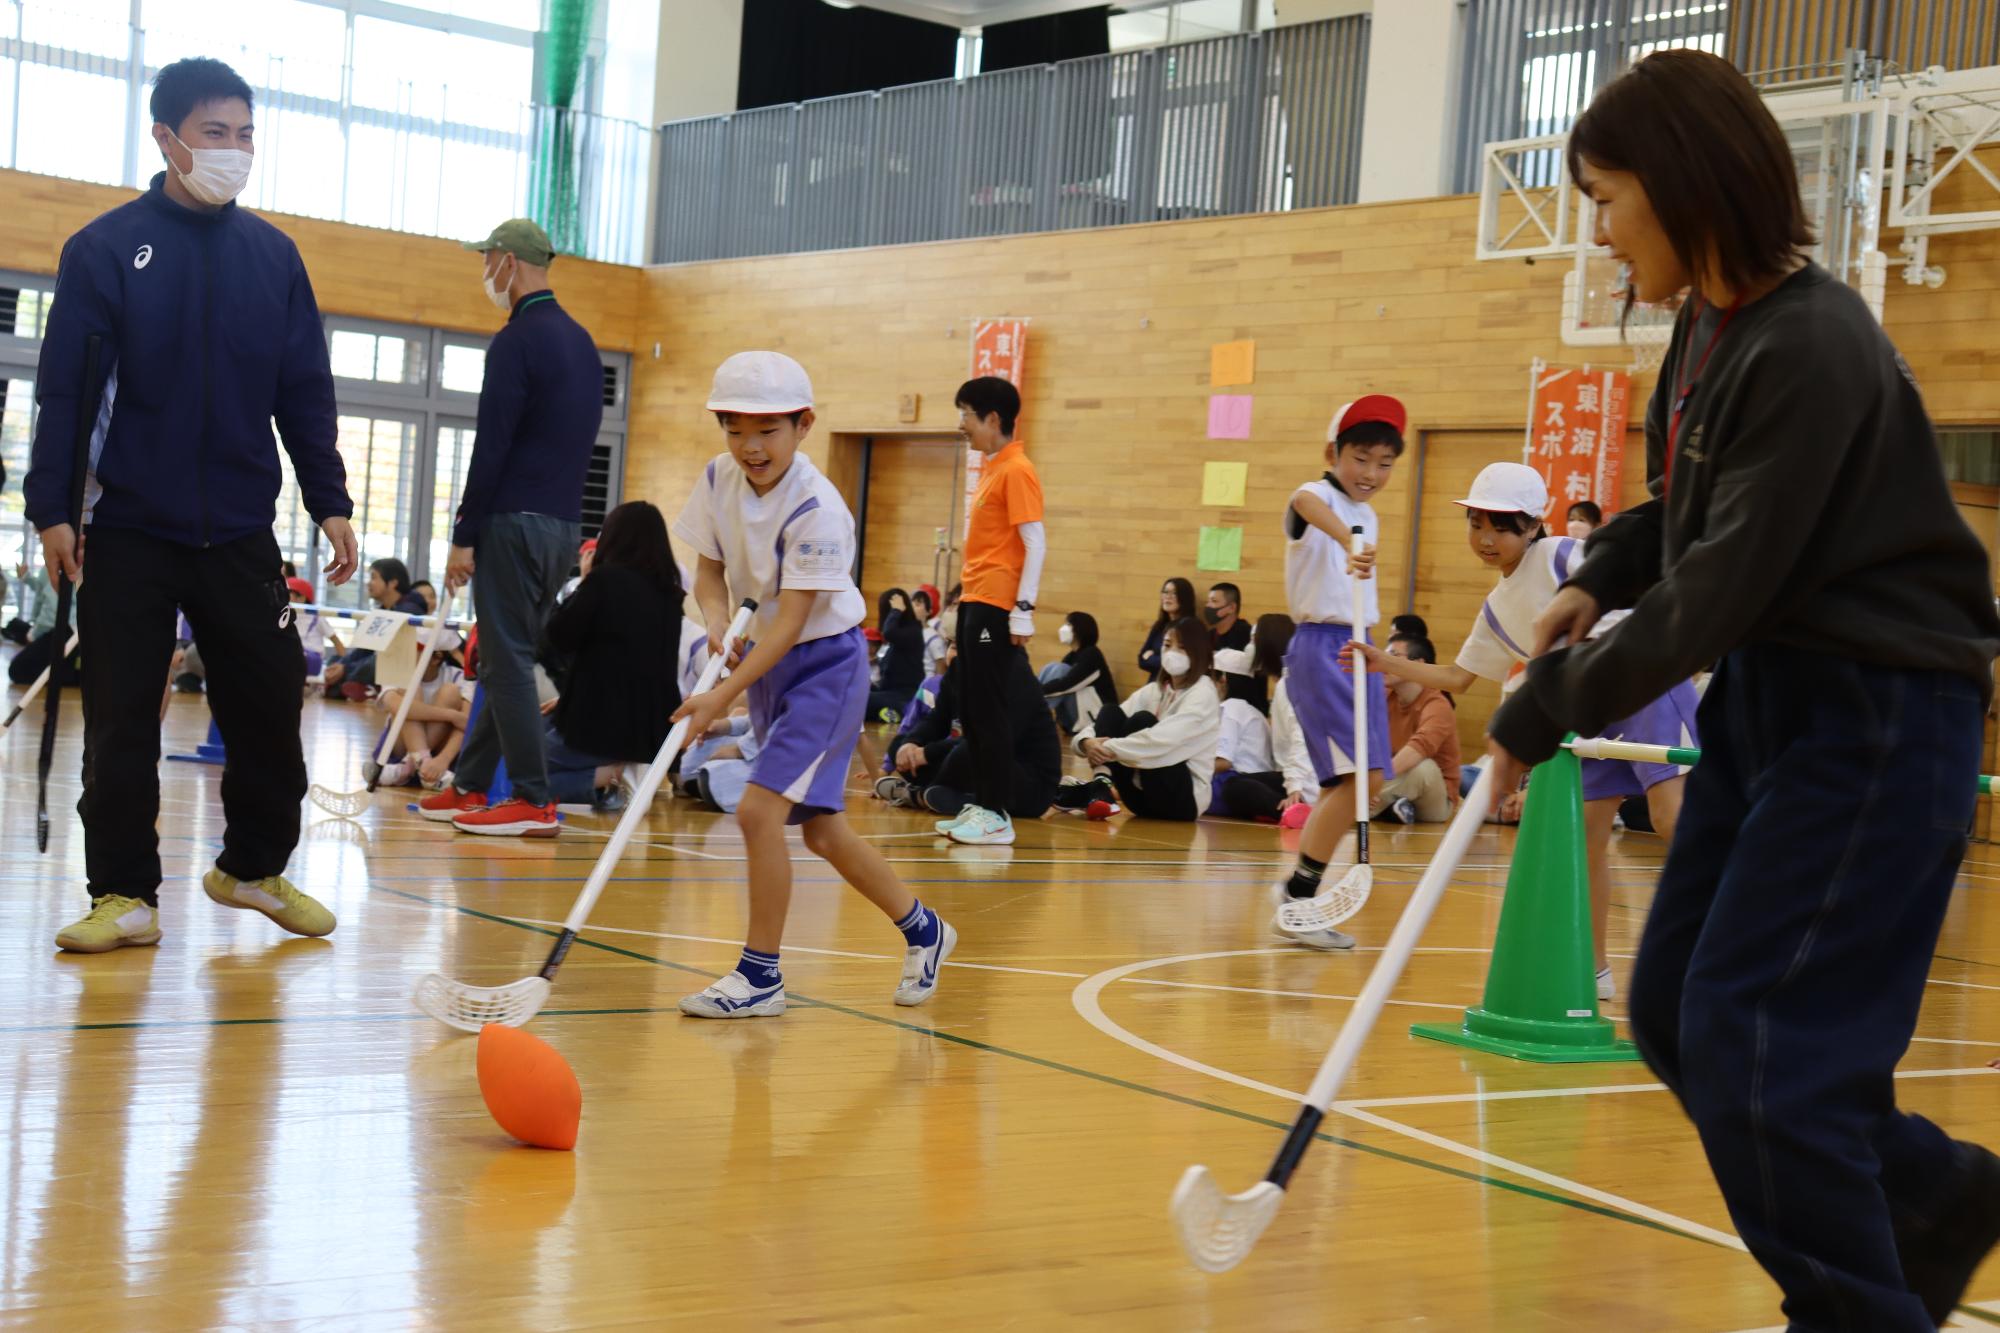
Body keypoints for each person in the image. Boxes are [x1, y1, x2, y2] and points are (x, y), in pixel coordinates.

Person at [1485, 50, 2000, 1330]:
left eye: (1603, 197)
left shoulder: (1816, 340)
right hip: (1773, 700)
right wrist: (1595, 570)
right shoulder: (1708, 333)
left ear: (1678, 184)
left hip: (1876, 714)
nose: (1596, 232)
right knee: (1673, 1008)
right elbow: (1684, 509)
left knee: (1763, 1048)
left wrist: (1545, 702)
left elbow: (1724, 581)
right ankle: (1935, 1197)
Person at [27, 57, 358, 953]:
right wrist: (53, 507)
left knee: (270, 697)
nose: (235, 151)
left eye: (247, 134)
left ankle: (250, 867)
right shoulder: (103, 250)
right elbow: (66, 391)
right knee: (122, 720)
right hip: (128, 524)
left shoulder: (273, 257)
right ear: (166, 137)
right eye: (217, 133)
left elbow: (305, 387)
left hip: (241, 530)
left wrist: (329, 498)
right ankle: (124, 894)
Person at [668, 350, 955, 1018]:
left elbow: (794, 621)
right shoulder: (718, 478)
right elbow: (709, 570)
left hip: (824, 666)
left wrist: (722, 695)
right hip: (771, 666)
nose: (750, 446)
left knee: (757, 812)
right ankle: (924, 929)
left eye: (767, 430)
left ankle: (760, 974)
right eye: (735, 429)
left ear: (803, 425)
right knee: (821, 829)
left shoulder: (820, 509)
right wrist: (715, 620)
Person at [1357, 462, 1693, 997]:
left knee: (1673, 819)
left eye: (1501, 525)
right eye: (1476, 524)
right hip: (1590, 715)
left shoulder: (1565, 554)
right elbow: (1458, 677)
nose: (1486, 538)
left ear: (1534, 525)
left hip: (1644, 682)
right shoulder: (1495, 609)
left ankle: (1730, 942)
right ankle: (1596, 969)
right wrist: (1385, 662)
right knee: (1586, 841)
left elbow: (1634, 590)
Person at [418, 217, 603, 838]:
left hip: (512, 523)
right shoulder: (581, 342)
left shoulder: (516, 341)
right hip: (559, 528)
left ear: (508, 262)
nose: (485, 273)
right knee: (506, 658)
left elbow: (492, 445)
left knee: (507, 662)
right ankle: (471, 785)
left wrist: (464, 533)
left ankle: (530, 796)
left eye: (487, 260)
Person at [1267, 395, 1406, 951]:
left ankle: (1300, 893)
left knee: (1366, 779)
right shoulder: (1317, 499)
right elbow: (1303, 501)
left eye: (1385, 463)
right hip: (1321, 646)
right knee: (1359, 780)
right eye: (1361, 458)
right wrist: (1346, 538)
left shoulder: (1369, 512)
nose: (1372, 474)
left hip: (1361, 647)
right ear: (1333, 452)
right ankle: (1299, 896)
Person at [942, 376, 1047, 848]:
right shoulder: (992, 468)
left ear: (992, 419)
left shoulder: (1017, 468)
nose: (962, 425)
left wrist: (1022, 610)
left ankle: (997, 812)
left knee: (990, 710)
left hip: (996, 605)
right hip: (974, 598)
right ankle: (982, 803)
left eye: (966, 414)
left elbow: (1035, 542)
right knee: (971, 706)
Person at [533, 501, 686, 812]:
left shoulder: (606, 581)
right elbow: (632, 662)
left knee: (516, 770)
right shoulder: (670, 596)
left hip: (598, 725)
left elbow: (559, 636)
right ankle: (603, 785)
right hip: (650, 729)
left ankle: (606, 778)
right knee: (535, 742)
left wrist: (586, 580)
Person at [1057, 617, 1220, 822]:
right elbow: (1104, 721)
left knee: (1141, 721)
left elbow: (1161, 742)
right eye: (1168, 646)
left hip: (1182, 801)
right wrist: (1085, 743)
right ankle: (1100, 786)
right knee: (1111, 712)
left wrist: (1108, 748)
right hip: (1140, 800)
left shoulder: (1203, 694)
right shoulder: (1155, 689)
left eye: (1181, 647)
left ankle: (1092, 791)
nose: (1171, 653)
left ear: (1197, 652)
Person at [879, 647, 1060, 825]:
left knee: (968, 752)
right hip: (982, 766)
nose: (954, 652)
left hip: (1031, 784)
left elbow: (992, 739)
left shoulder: (1014, 671)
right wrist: (911, 744)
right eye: (952, 645)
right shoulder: (959, 671)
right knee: (899, 746)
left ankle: (920, 794)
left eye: (960, 645)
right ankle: (951, 796)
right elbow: (937, 720)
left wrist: (928, 754)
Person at [1370, 633, 1461, 823]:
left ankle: (1356, 806)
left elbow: (1416, 751)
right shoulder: (1383, 696)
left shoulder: (1437, 705)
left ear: (1418, 664)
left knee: (1424, 768)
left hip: (1437, 800)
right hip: (1397, 783)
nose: (1384, 663)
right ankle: (1391, 808)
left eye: (1394, 656)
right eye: (1385, 656)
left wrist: (1371, 787)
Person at [374, 626, 472, 788]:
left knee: (450, 692)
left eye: (413, 648)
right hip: (400, 746)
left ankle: (409, 767)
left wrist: (443, 759)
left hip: (439, 753)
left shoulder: (458, 676)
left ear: (436, 658)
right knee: (410, 690)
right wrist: (451, 715)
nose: (403, 653)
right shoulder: (399, 672)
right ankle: (422, 762)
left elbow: (466, 724)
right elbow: (397, 706)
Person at [321, 557, 425, 696]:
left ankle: (354, 686)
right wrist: (343, 665)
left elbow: (384, 654)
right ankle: (355, 686)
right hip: (376, 662)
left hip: (400, 667)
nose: (368, 583)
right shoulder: (383, 610)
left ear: (393, 583)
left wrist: (345, 669)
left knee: (378, 662)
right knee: (335, 661)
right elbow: (365, 647)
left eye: (374, 578)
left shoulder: (409, 611)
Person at [1208, 647, 1282, 820]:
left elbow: (1223, 762)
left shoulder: (1230, 708)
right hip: (1259, 779)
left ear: (1223, 679)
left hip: (1236, 778)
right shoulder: (1254, 711)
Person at [1039, 610, 1115, 737]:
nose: (1063, 628)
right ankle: (1031, 711)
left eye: (1068, 624)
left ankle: (1032, 714)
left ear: (1080, 629)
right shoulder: (1071, 656)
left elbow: (1068, 685)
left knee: (1060, 670)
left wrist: (1035, 692)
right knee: (1052, 666)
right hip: (1073, 719)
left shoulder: (1092, 654)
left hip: (1094, 721)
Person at [867, 587, 925, 723]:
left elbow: (889, 632)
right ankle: (886, 713)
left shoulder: (913, 630)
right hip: (889, 693)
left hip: (904, 696)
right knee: (855, 691)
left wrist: (896, 610)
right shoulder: (897, 639)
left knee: (860, 699)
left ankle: (896, 712)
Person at [1204, 581, 1264, 713]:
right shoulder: (1207, 637)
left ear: (1231, 607)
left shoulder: (1249, 637)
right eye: (1207, 601)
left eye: (1214, 601)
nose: (1208, 606)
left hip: (1244, 710)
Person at [1139, 577, 1195, 679]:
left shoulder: (1191, 627)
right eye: (1165, 592)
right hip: (1155, 683)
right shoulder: (1159, 625)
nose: (1168, 597)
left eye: (1174, 593)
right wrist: (1162, 660)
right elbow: (1141, 661)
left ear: (1185, 597)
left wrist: (1151, 658)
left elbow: (1181, 663)